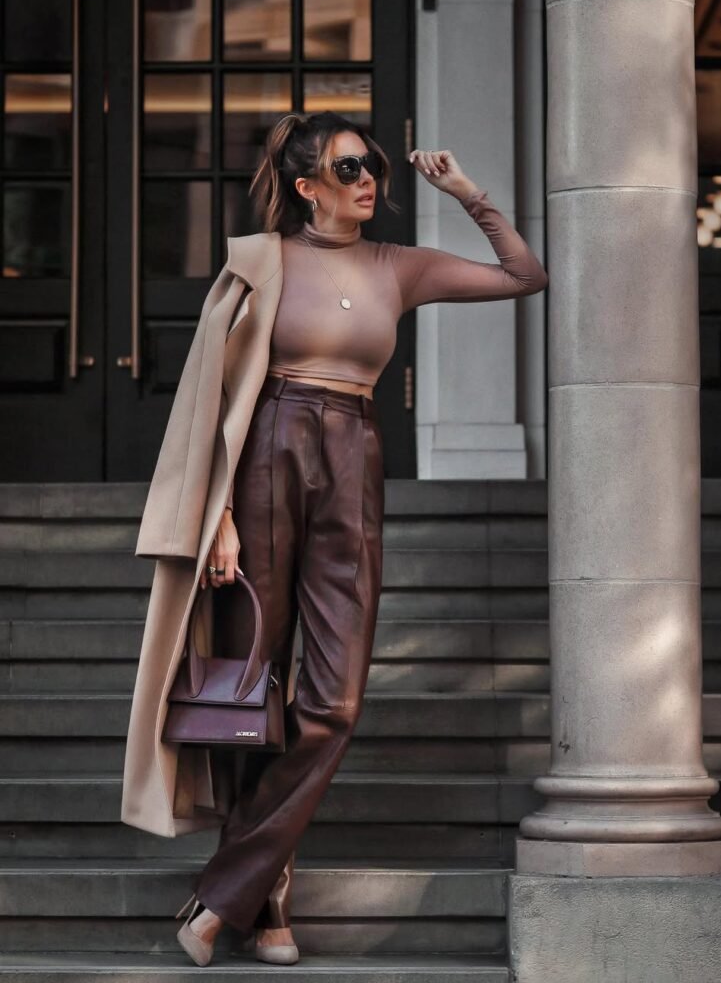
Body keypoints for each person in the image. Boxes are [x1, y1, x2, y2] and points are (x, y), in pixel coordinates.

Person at [173, 109, 549, 966]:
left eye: (372, 164)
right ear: (307, 186)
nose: (368, 179)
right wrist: (217, 514)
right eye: (349, 169)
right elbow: (213, 396)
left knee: (334, 700)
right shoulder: (261, 261)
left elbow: (524, 275)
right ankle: (267, 902)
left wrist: (466, 193)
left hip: (353, 452)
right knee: (255, 685)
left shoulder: (396, 266)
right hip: (267, 449)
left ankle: (223, 891)